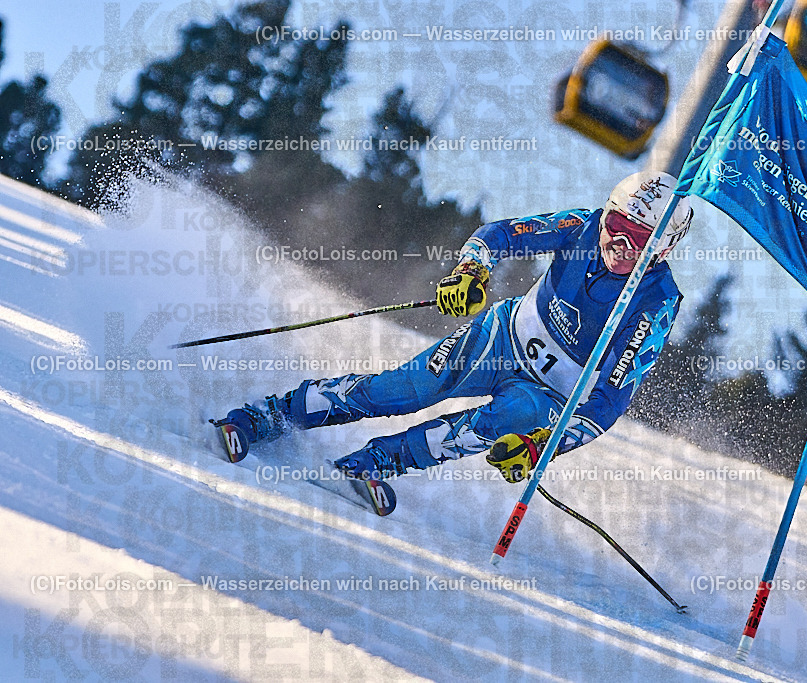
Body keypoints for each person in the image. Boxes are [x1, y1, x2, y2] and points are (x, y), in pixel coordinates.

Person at [214, 171, 692, 485]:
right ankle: (271, 415)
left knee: (487, 429)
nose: (621, 243)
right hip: (502, 338)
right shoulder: (582, 226)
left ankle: (376, 463)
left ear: (664, 249)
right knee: (404, 390)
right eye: (617, 225)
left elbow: (609, 400)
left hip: (551, 393)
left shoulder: (656, 303)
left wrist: (544, 445)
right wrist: (471, 270)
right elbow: (501, 235)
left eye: (641, 239)